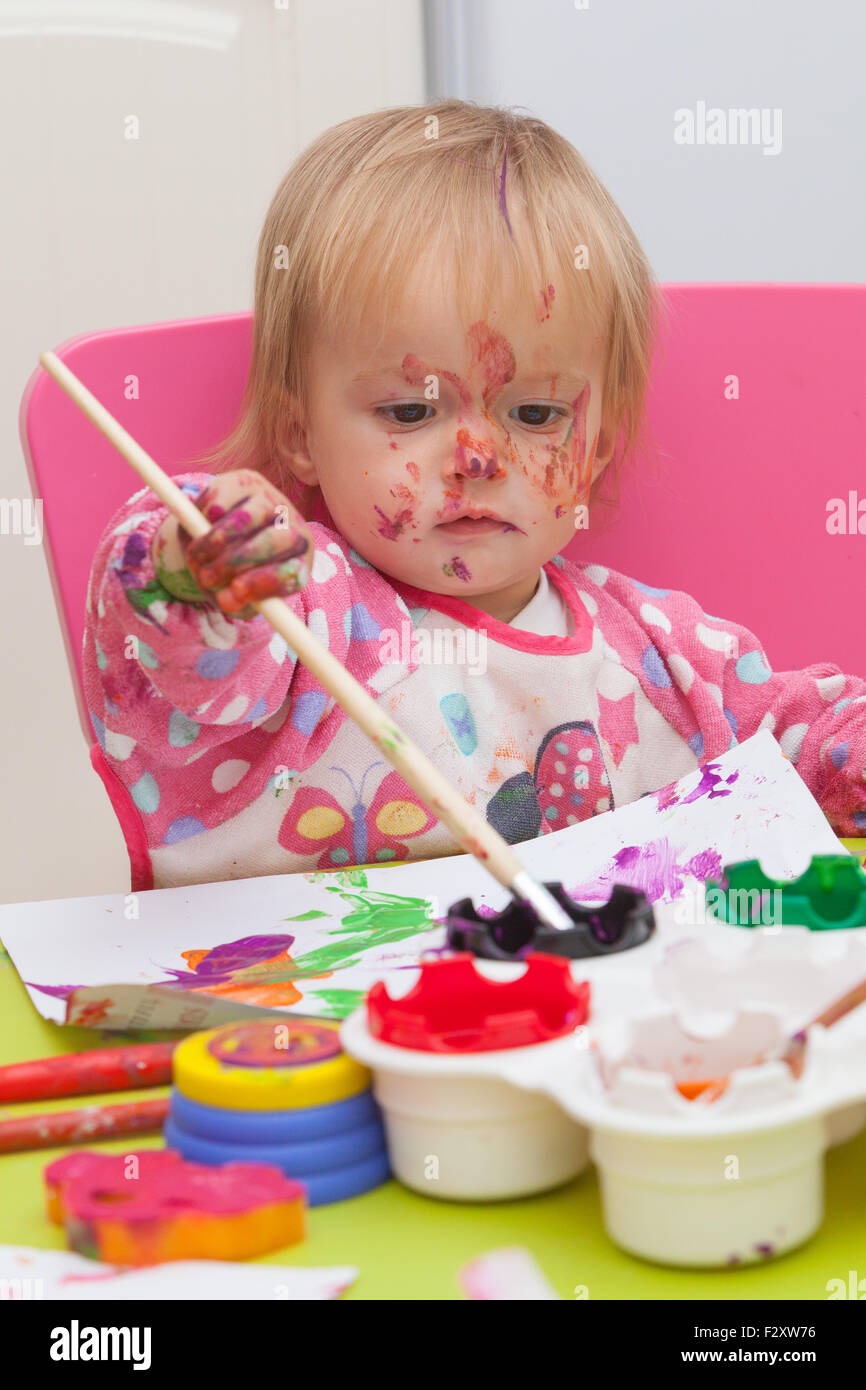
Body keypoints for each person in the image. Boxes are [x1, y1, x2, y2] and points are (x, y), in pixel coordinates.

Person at [84, 100, 866, 891]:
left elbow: (813, 741)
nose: (478, 456)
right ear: (299, 434)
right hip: (298, 1009)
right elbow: (187, 663)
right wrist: (200, 571)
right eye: (411, 410)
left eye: (535, 413)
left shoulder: (666, 660)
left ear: (594, 448)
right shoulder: (298, 615)